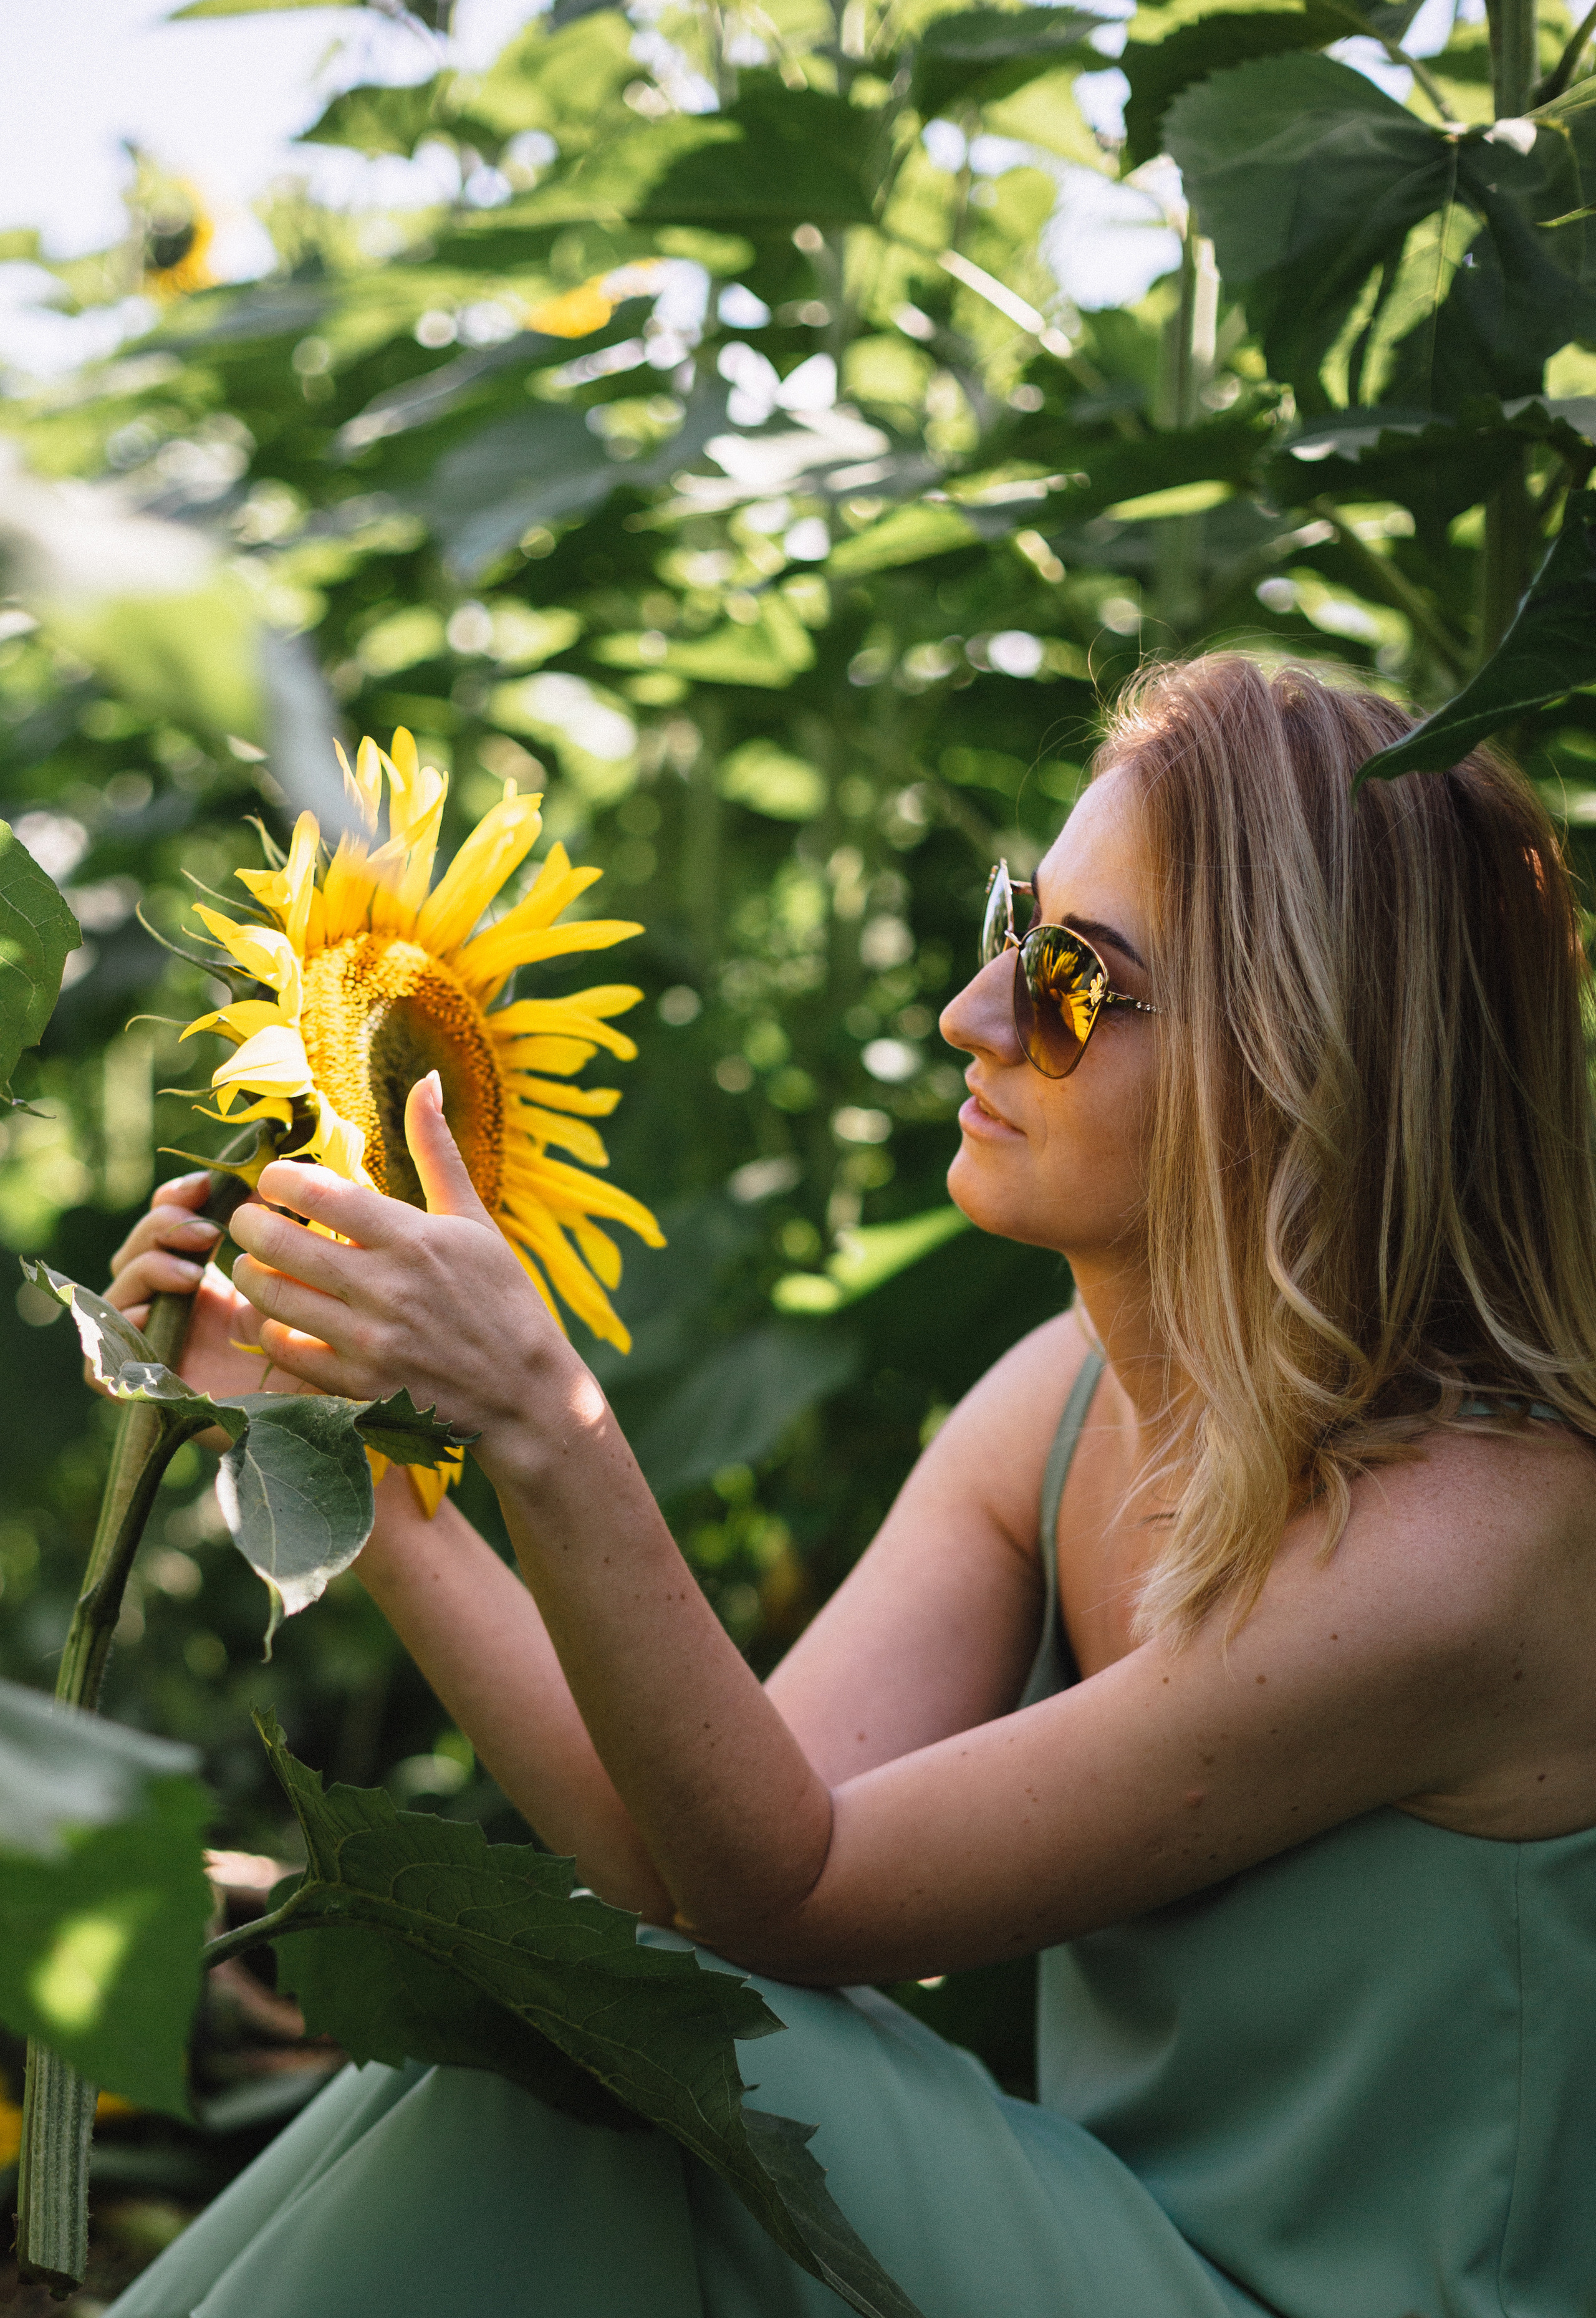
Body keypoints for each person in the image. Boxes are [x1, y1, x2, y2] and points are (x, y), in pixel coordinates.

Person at [104, 656, 1596, 2318]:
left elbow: (781, 1893)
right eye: (1015, 926)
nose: (972, 1014)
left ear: (1305, 1058)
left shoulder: (1476, 1543)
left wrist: (538, 1413)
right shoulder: (1068, 1399)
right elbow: (682, 1861)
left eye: (1075, 982)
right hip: (1087, 2256)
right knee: (582, 2007)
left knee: (622, 2040)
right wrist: (342, 1458)